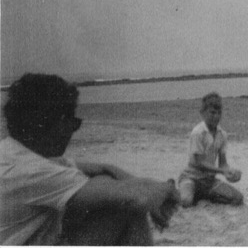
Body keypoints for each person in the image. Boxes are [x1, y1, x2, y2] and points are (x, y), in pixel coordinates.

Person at [0, 73, 179, 246]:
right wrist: (167, 189)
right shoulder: (34, 171)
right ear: (57, 123)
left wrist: (150, 190)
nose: (72, 132)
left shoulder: (12, 153)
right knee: (123, 207)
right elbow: (137, 198)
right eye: (74, 123)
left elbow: (102, 169)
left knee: (106, 191)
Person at [177, 92, 243, 207]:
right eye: (212, 113)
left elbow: (223, 163)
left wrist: (230, 173)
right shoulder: (198, 133)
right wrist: (221, 171)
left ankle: (202, 197)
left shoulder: (222, 135)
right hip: (191, 177)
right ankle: (189, 193)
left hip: (209, 180)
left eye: (219, 113)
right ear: (203, 113)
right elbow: (199, 163)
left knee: (237, 198)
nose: (216, 116)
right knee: (185, 201)